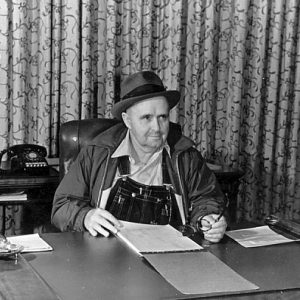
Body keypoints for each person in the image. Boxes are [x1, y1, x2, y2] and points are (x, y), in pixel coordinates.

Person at [51, 71, 227, 243]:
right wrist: (85, 216)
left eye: (162, 117)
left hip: (172, 258)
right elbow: (61, 207)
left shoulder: (186, 156)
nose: (157, 128)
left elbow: (207, 198)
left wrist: (207, 218)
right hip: (108, 261)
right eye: (146, 118)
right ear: (127, 121)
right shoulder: (96, 153)